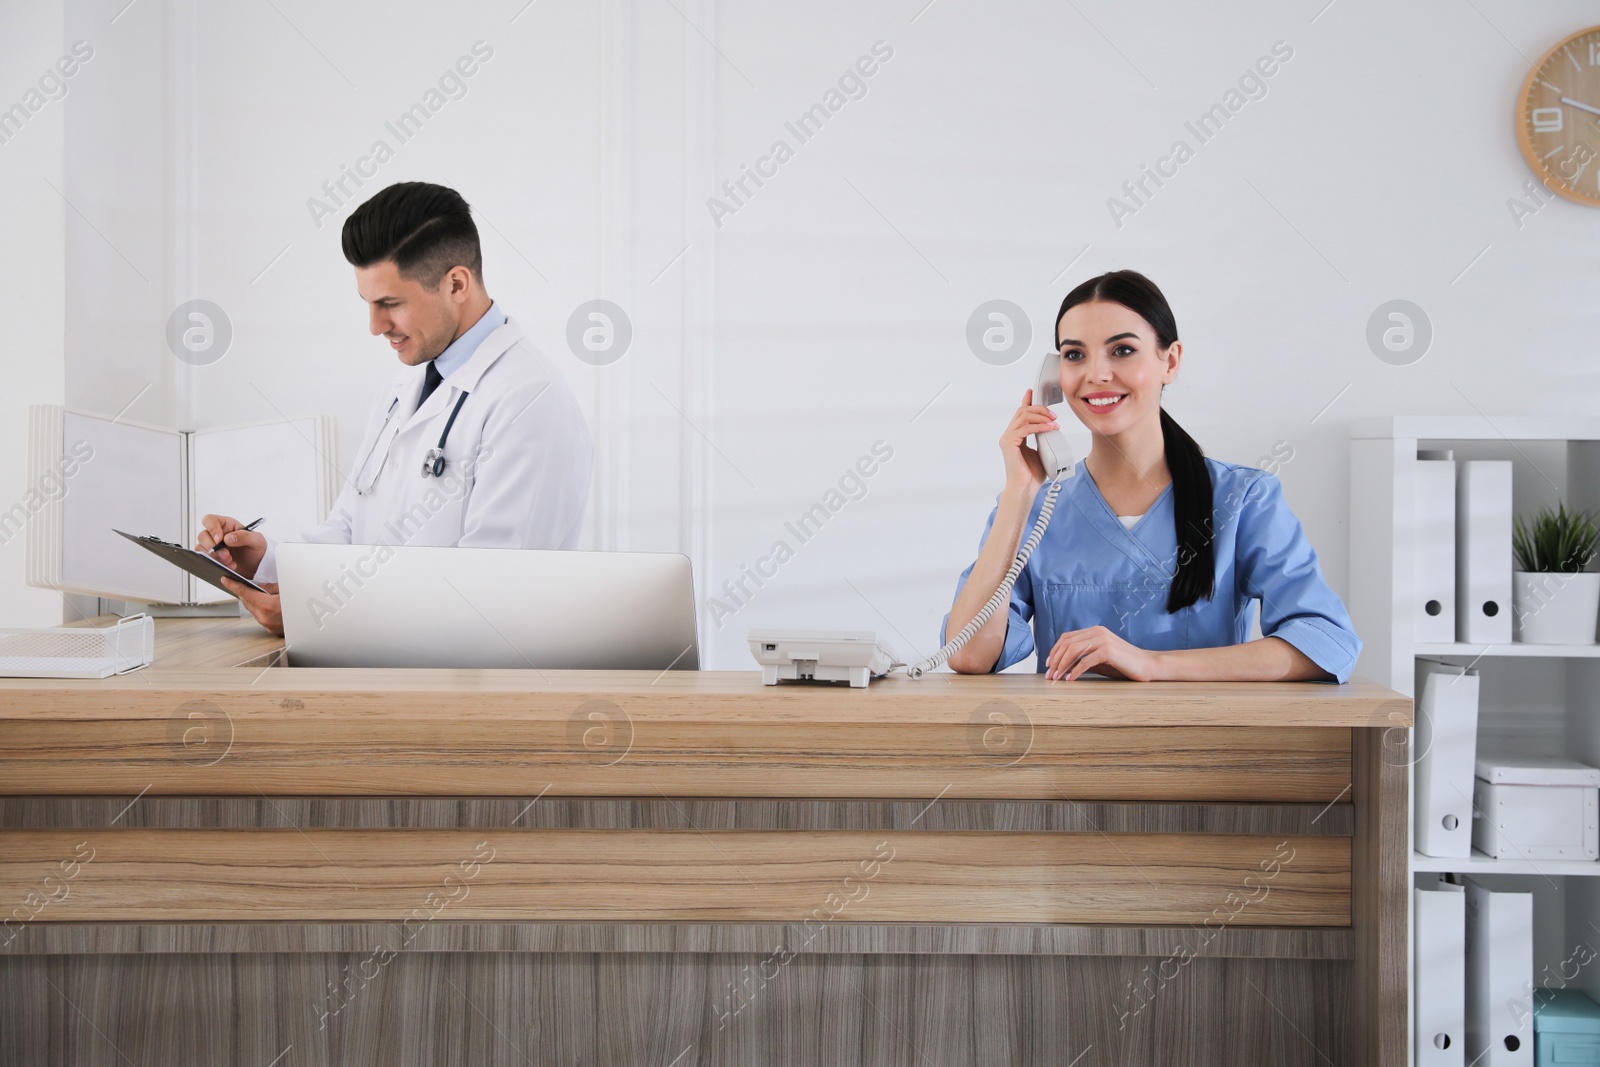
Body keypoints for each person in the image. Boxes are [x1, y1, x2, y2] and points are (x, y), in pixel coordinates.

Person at [197, 182, 593, 636]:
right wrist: (267, 559)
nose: (375, 326)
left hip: (473, 690)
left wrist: (326, 614)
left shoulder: (529, 400)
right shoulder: (406, 382)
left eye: (390, 304)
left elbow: (488, 596)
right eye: (368, 304)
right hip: (384, 676)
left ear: (456, 284)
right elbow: (352, 529)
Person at [941, 269, 1361, 683]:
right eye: (1074, 355)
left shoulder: (1243, 499)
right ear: (1054, 376)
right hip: (1067, 748)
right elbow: (969, 653)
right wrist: (1019, 492)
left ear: (1170, 360)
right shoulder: (1035, 507)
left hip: (1200, 745)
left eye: (1122, 350)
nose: (1096, 374)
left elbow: (1326, 643)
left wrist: (1151, 664)